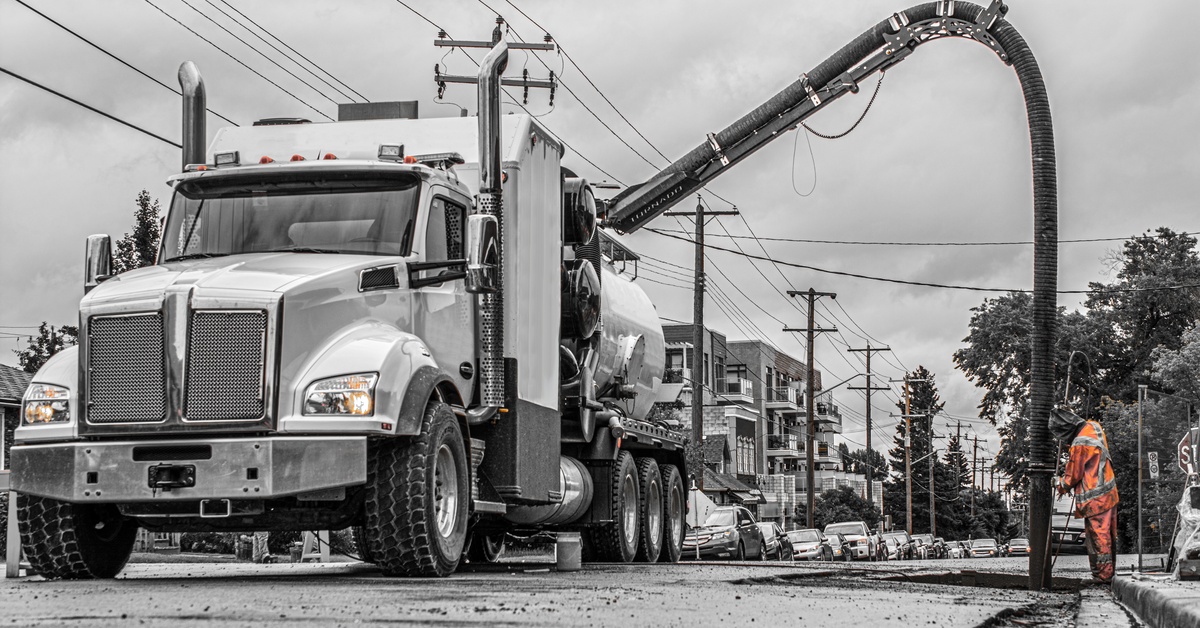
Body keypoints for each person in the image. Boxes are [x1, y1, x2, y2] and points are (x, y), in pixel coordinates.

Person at [1050, 406, 1120, 584]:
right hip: (1109, 492)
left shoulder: (1079, 444)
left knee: (1099, 536)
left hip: (1095, 498)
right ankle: (1106, 574)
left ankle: (1103, 577)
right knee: (1109, 535)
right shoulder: (1093, 426)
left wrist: (1060, 484)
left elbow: (1073, 475)